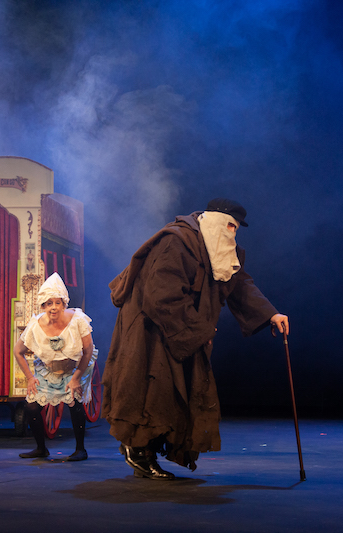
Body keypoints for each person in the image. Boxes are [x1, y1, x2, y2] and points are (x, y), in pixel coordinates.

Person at [102, 198, 290, 480]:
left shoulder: (219, 247)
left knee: (177, 390)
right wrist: (196, 328)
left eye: (236, 228)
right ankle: (137, 450)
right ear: (214, 221)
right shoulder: (176, 241)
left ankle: (149, 449)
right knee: (152, 388)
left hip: (182, 327)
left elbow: (240, 283)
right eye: (230, 225)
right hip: (151, 328)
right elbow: (161, 294)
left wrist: (270, 315)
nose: (233, 232)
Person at [13, 273, 95, 461]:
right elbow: (18, 351)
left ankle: (80, 449)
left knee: (74, 402)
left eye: (57, 303)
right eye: (48, 303)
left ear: (64, 304)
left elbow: (88, 351)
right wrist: (30, 377)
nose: (53, 308)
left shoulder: (77, 320)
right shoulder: (36, 325)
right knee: (31, 406)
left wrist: (76, 378)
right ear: (43, 306)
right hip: (47, 371)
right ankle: (41, 448)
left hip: (73, 369)